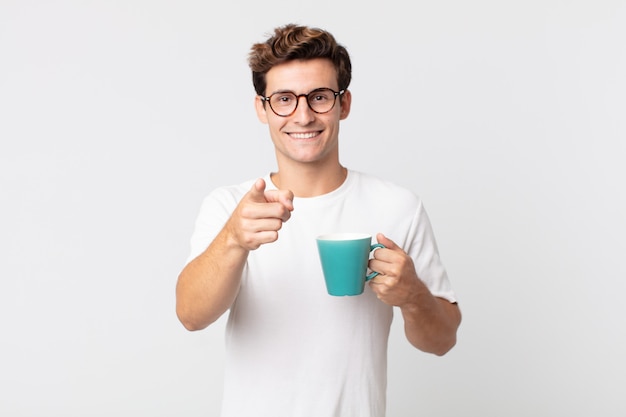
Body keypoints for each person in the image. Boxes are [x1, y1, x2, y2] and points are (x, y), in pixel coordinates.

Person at [176, 23, 461, 417]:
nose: (303, 115)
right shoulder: (231, 207)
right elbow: (191, 316)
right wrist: (234, 240)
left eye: (320, 97)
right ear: (262, 108)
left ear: (343, 104)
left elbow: (443, 339)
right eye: (284, 99)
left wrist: (413, 295)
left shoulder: (398, 206)